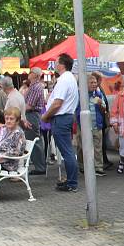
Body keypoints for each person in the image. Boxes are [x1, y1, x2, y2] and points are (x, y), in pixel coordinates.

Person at [41, 53, 80, 192]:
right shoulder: (69, 78)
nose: (55, 64)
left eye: (56, 62)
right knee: (67, 150)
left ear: (62, 64)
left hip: (61, 118)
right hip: (65, 117)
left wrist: (45, 116)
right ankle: (71, 181)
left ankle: (72, 183)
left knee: (67, 152)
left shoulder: (64, 80)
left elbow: (57, 103)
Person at [75, 74, 107, 177]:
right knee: (81, 147)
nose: (94, 84)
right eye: (91, 82)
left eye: (95, 82)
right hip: (83, 126)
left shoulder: (98, 94)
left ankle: (98, 167)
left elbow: (104, 110)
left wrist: (101, 103)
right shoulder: (79, 95)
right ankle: (82, 166)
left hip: (96, 125)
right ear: (85, 84)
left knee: (98, 147)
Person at [23, 67, 47, 175]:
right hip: (31, 114)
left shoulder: (36, 87)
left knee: (35, 141)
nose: (29, 73)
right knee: (33, 140)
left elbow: (29, 105)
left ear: (36, 75)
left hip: (32, 115)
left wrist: (19, 110)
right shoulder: (33, 86)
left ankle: (40, 167)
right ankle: (38, 164)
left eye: (31, 72)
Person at [91, 71, 113, 170]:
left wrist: (106, 110)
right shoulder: (94, 91)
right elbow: (98, 104)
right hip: (97, 119)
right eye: (100, 79)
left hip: (101, 118)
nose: (100, 81)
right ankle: (101, 162)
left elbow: (104, 104)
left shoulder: (100, 89)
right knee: (99, 142)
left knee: (101, 140)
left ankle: (103, 160)